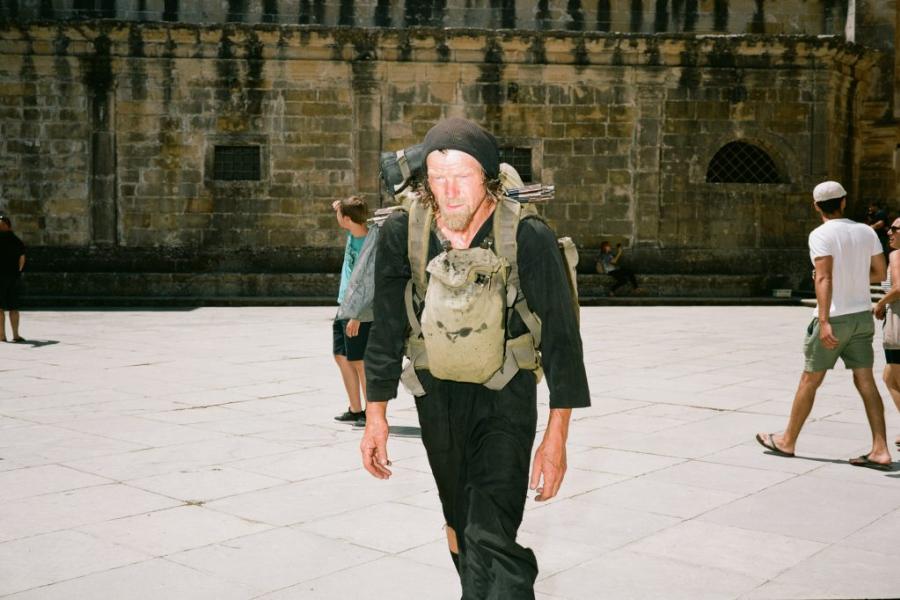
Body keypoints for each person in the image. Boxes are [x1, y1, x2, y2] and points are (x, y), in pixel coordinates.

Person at [361, 118, 590, 597]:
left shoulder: (528, 237)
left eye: (461, 176)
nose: (448, 191)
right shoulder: (403, 232)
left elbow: (564, 342)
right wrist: (376, 417)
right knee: (458, 519)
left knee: (489, 525)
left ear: (487, 177)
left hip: (507, 391)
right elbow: (385, 328)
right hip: (436, 393)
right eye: (437, 178)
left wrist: (556, 438)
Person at [756, 181, 892, 471]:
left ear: (816, 206)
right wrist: (853, 277)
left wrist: (826, 320)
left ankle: (787, 441)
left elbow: (824, 277)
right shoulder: (866, 231)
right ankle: (880, 449)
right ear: (844, 201)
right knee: (865, 381)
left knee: (810, 380)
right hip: (860, 316)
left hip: (834, 316)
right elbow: (880, 273)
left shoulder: (820, 234)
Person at [332, 196, 371, 425]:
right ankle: (355, 409)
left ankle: (370, 412)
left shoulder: (369, 243)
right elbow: (340, 206)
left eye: (339, 215)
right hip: (343, 306)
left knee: (360, 362)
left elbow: (370, 282)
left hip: (358, 311)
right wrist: (340, 205)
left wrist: (358, 315)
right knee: (341, 356)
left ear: (347, 219)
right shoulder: (352, 232)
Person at [872, 216, 900, 451]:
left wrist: (880, 303)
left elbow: (899, 287)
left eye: (894, 229)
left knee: (891, 378)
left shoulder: (897, 255)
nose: (889, 232)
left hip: (898, 324)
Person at [0, 214, 26, 343]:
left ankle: (2, 336)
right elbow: (22, 259)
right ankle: (15, 335)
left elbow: (22, 258)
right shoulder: (16, 240)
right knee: (13, 307)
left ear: (5, 225)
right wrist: (18, 271)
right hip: (13, 277)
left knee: (2, 308)